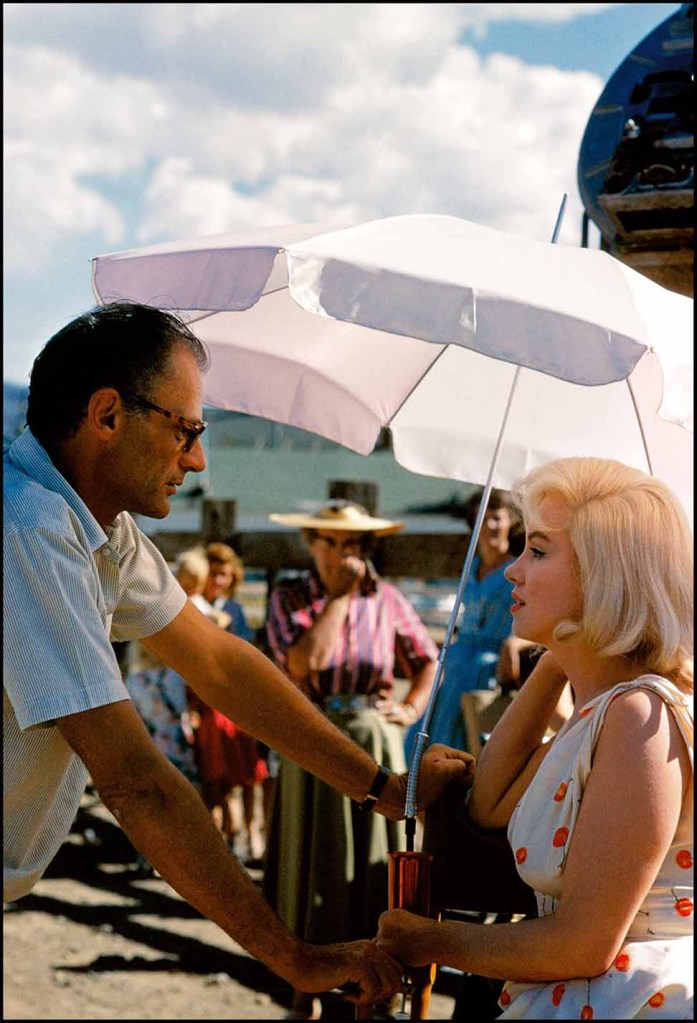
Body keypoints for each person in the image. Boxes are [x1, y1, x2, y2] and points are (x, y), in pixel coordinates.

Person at [3, 301, 474, 1009]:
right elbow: (134, 781)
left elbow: (219, 662)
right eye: (186, 430)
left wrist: (381, 787)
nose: (197, 458)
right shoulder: (30, 528)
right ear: (106, 415)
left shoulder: (91, 524)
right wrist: (293, 956)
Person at [376, 456, 693, 1019]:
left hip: (634, 997)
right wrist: (557, 661)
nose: (513, 572)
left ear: (606, 574)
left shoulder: (638, 717)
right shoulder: (603, 710)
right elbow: (490, 802)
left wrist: (431, 940)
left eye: (539, 551)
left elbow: (584, 943)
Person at [263, 500, 440, 1018]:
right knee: (309, 854)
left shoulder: (384, 598)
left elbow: (427, 657)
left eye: (353, 544)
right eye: (332, 543)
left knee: (369, 860)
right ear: (312, 545)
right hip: (310, 736)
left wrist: (408, 708)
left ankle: (375, 975)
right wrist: (337, 600)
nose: (343, 554)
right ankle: (306, 983)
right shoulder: (289, 597)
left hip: (372, 735)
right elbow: (303, 662)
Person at [406, 487, 523, 755]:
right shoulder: (471, 566)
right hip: (458, 662)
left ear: (510, 523)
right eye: (483, 518)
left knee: (473, 740)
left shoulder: (516, 569)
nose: (491, 526)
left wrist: (514, 642)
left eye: (497, 518)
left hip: (488, 666)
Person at [197, 542, 269, 861]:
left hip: (233, 696)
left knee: (249, 767)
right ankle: (226, 831)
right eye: (214, 573)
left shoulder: (234, 609)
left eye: (225, 574)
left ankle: (250, 829)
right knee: (217, 771)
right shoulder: (192, 605)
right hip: (206, 696)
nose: (219, 581)